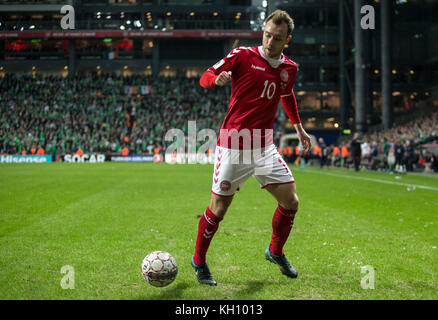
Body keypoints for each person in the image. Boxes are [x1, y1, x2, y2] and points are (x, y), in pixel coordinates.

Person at [191, 10, 312, 286]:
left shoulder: (289, 68)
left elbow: (286, 94)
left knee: (291, 200)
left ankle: (275, 251)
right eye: (267, 34)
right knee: (218, 209)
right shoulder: (242, 55)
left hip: (264, 147)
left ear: (287, 40)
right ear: (264, 31)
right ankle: (199, 260)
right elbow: (206, 75)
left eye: (277, 37)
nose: (270, 41)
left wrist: (299, 127)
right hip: (233, 144)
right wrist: (216, 79)